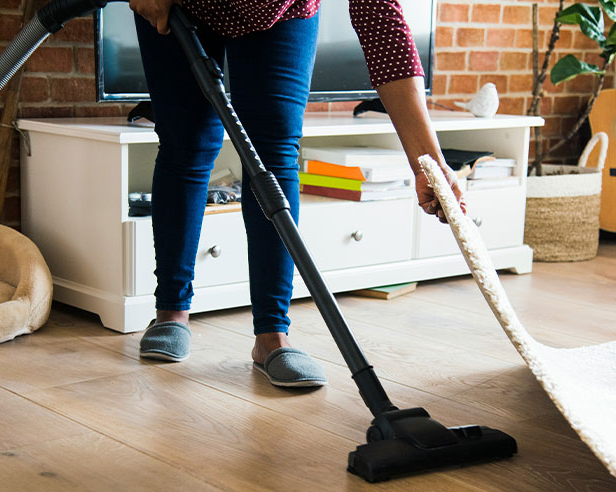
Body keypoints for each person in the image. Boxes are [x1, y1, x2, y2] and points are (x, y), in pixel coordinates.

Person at [129, 0, 466, 387]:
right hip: (180, 4)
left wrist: (429, 161)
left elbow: (383, 27)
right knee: (186, 143)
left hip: (281, 13)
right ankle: (171, 310)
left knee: (271, 153)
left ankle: (272, 335)